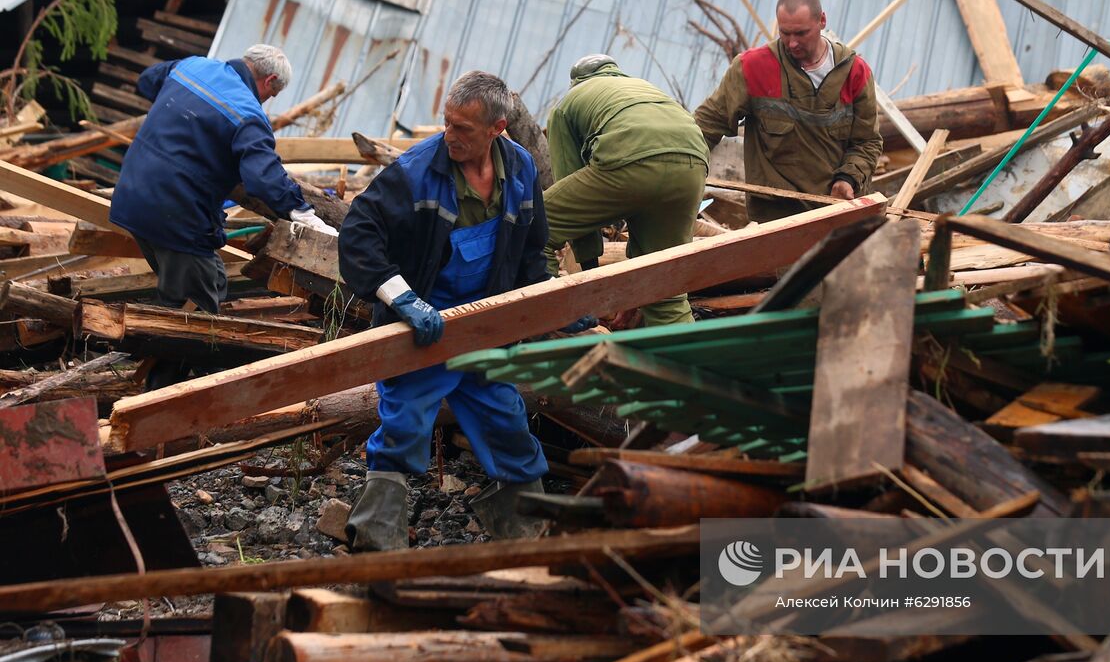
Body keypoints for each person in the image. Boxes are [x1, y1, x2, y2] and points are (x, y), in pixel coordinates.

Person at [338, 71, 550, 549]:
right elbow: (358, 234)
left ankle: (526, 535)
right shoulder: (415, 172)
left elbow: (532, 253)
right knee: (405, 423)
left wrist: (549, 305)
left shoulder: (519, 171)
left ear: (497, 128)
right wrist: (402, 298)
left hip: (484, 329)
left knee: (506, 420)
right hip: (424, 329)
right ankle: (376, 540)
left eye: (463, 129)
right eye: (447, 123)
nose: (449, 136)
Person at [110, 44, 336, 389]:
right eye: (271, 94)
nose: (267, 101)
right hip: (177, 218)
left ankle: (156, 381)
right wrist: (305, 214)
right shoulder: (248, 113)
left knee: (193, 288)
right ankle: (158, 400)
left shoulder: (191, 66)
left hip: (131, 197)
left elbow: (147, 81)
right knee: (195, 308)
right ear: (269, 80)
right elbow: (263, 178)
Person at [543, 55, 709, 326]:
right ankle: (693, 365)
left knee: (536, 228)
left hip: (630, 157)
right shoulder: (643, 88)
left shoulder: (567, 105)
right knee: (663, 286)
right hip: (692, 165)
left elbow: (569, 177)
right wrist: (634, 292)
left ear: (576, 82)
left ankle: (541, 328)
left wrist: (589, 277)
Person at [693, 0, 882, 222]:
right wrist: (679, 167)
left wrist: (848, 178)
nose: (792, 43)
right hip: (775, 216)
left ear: (822, 21)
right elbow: (708, 123)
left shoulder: (854, 73)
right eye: (785, 33)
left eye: (801, 34)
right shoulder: (753, 68)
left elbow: (868, 142)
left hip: (834, 213)